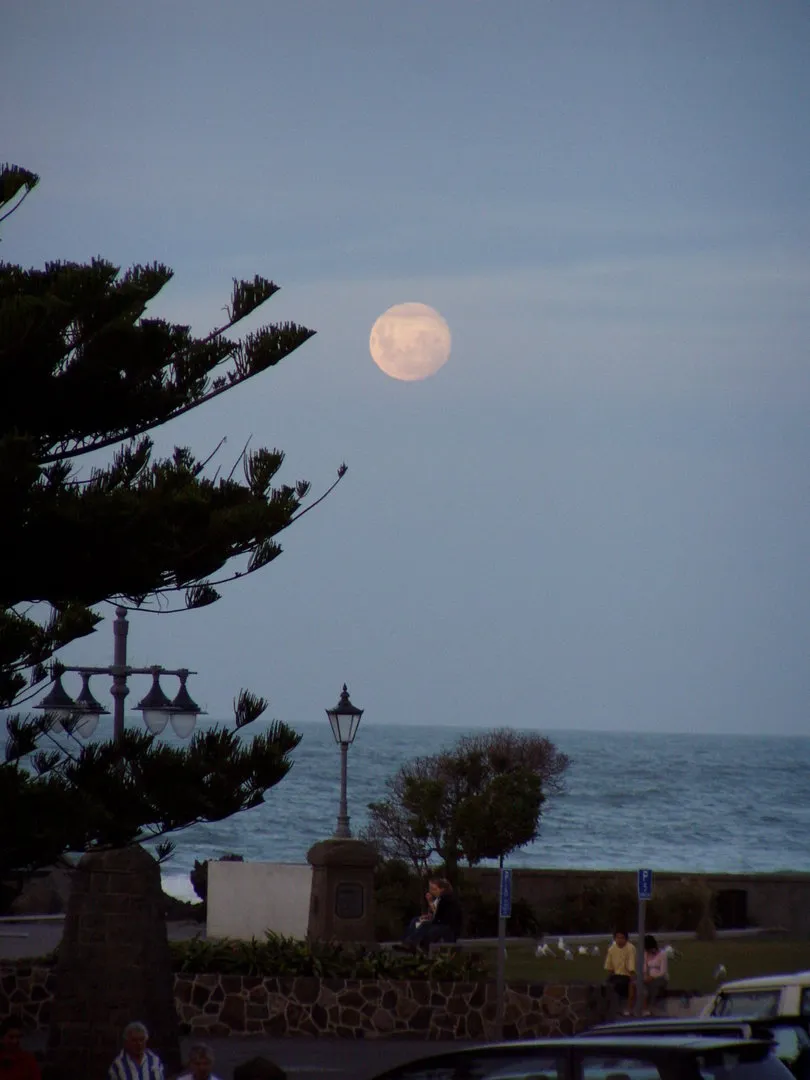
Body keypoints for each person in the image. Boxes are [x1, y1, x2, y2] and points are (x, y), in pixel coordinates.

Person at [402, 878, 462, 951]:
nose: (432, 891)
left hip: (448, 927)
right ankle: (408, 941)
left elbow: (440, 917)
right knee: (416, 920)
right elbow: (437, 915)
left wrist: (430, 905)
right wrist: (428, 917)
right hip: (442, 923)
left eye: (434, 889)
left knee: (425, 924)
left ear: (442, 889)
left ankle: (411, 943)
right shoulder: (440, 899)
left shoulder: (446, 899)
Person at [604, 929, 637, 1011]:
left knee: (617, 986)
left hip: (626, 975)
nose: (619, 940)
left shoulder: (630, 948)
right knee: (605, 986)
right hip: (615, 975)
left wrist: (632, 978)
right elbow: (609, 966)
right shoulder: (612, 949)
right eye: (617, 938)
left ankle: (618, 1009)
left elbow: (631, 965)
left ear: (626, 939)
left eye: (622, 938)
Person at [0, 1016, 41, 1080]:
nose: (15, 1041)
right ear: (2, 1038)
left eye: (18, 1037)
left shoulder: (28, 1060)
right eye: (11, 1037)